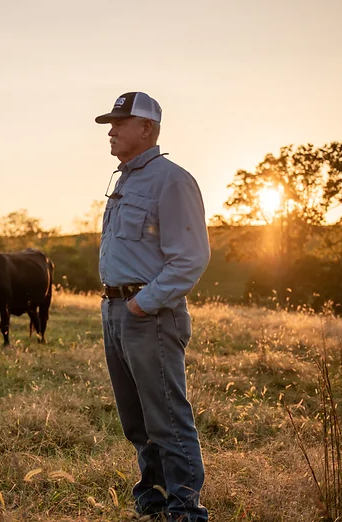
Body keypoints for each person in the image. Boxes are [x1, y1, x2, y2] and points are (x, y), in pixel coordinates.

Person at [95, 92, 211, 522]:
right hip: (116, 311)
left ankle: (185, 510)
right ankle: (154, 501)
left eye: (119, 123)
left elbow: (191, 257)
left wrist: (142, 304)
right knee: (136, 420)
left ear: (146, 128)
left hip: (150, 314)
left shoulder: (172, 180)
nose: (111, 130)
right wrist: (118, 306)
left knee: (166, 417)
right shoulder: (123, 179)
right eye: (110, 123)